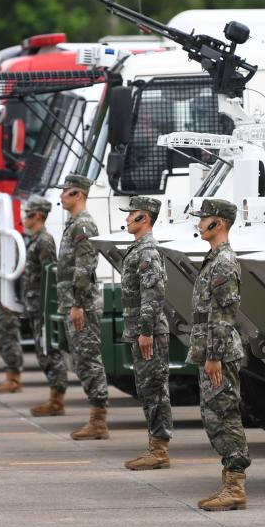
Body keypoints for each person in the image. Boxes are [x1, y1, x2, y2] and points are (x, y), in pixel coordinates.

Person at [187, 198, 250, 510]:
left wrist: (214, 355)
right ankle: (229, 482)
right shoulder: (214, 259)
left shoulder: (224, 262)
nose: (200, 224)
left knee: (224, 414)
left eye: (204, 219)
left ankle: (235, 486)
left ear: (219, 223)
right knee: (214, 415)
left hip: (219, 351)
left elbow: (224, 313)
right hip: (211, 348)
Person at [118, 196, 172, 470]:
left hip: (147, 331)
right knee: (147, 387)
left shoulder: (147, 251)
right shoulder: (138, 248)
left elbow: (154, 294)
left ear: (145, 218)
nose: (127, 218)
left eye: (132, 214)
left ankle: (159, 450)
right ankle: (155, 445)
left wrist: (146, 330)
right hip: (139, 328)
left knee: (154, 388)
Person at [55, 173, 109, 440]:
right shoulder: (74, 223)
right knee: (82, 359)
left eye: (65, 191)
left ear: (78, 194)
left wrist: (77, 304)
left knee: (88, 360)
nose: (61, 196)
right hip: (74, 303)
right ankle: (96, 418)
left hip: (82, 305)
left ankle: (98, 421)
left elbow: (85, 269)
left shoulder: (83, 225)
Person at [25, 197, 67, 416]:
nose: (25, 218)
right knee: (42, 352)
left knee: (49, 351)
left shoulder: (44, 240)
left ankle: (57, 399)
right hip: (34, 304)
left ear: (38, 216)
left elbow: (50, 274)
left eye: (28, 214)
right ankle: (54, 397)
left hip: (42, 305)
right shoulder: (35, 239)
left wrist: (47, 305)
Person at [0, 232, 24, 392]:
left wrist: (10, 297)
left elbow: (13, 269)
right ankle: (11, 376)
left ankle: (14, 378)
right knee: (2, 334)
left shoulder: (7, 239)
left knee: (8, 334)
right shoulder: (1, 237)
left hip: (6, 296)